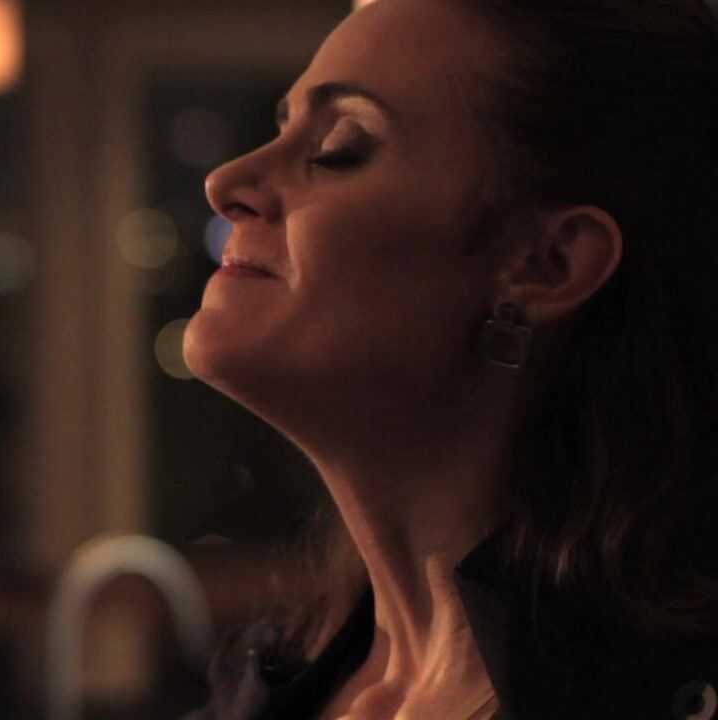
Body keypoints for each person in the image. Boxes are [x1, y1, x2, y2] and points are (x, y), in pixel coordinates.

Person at [181, 0, 718, 718]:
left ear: (548, 262)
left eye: (339, 146)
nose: (225, 182)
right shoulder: (261, 687)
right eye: (280, 128)